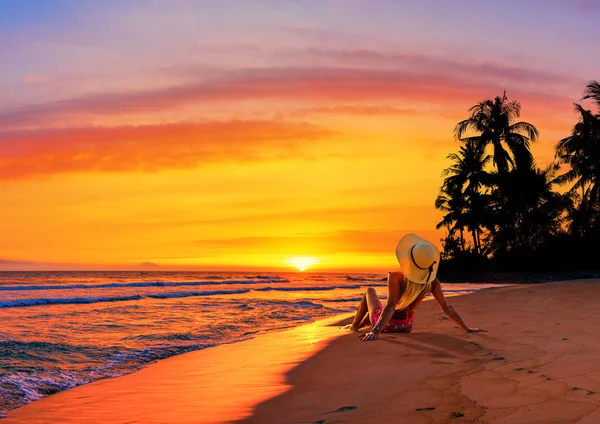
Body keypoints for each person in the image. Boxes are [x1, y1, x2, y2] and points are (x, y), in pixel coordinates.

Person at [343, 233, 485, 341]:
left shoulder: (395, 277)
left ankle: (354, 326)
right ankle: (358, 325)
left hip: (387, 326)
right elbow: (446, 307)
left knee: (370, 292)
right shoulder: (432, 282)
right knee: (374, 312)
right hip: (406, 327)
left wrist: (375, 332)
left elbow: (391, 307)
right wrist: (467, 329)